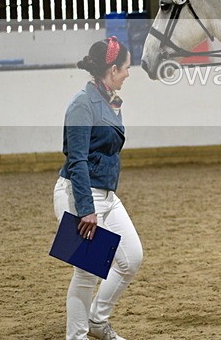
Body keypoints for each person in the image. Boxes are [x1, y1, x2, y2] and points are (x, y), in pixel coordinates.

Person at [53, 36, 141, 340]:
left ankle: (97, 322)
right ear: (113, 69)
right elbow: (75, 160)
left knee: (132, 257)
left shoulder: (109, 100)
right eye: (126, 68)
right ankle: (75, 337)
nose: (129, 73)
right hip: (78, 194)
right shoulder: (82, 104)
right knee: (87, 271)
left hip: (106, 194)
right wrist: (86, 210)